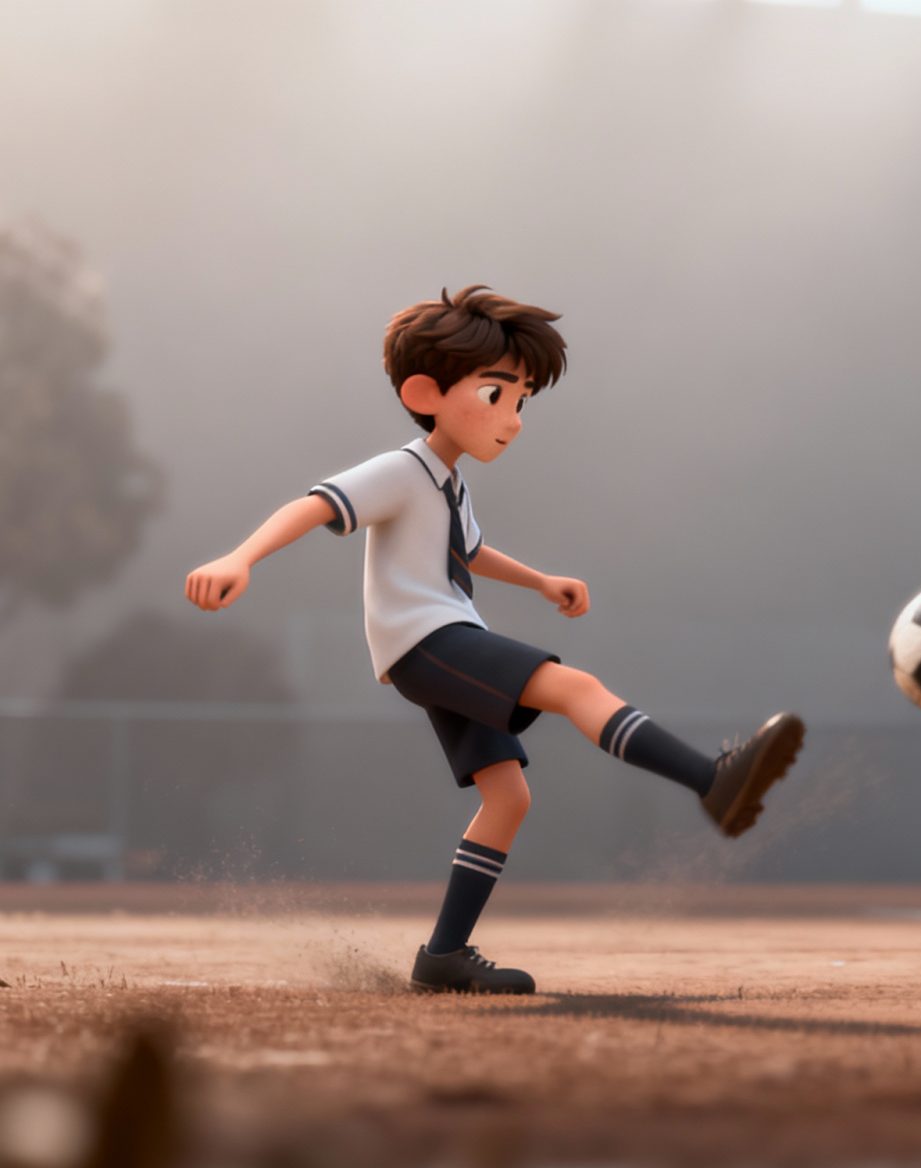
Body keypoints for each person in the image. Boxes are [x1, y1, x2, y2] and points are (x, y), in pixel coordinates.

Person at [183, 285, 804, 995]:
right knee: (577, 689)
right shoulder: (400, 470)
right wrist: (240, 557)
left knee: (508, 799)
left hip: (440, 640)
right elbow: (316, 504)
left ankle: (442, 957)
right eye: (495, 395)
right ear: (426, 391)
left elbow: (470, 553)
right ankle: (712, 781)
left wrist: (540, 581)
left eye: (521, 402)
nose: (511, 420)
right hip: (429, 641)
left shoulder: (448, 483)